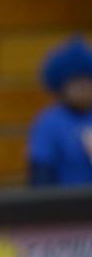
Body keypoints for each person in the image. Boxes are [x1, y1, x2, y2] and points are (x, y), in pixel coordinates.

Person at [28, 37, 92, 187]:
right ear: (61, 84)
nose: (84, 87)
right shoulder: (48, 123)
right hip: (64, 206)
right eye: (76, 80)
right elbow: (39, 181)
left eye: (88, 79)